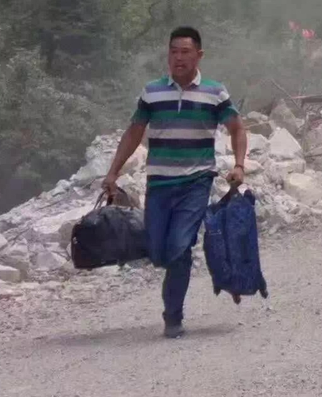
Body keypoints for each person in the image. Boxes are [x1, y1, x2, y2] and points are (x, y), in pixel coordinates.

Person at [102, 26, 247, 338]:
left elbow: (237, 128)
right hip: (159, 183)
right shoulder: (152, 92)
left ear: (199, 55)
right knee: (158, 251)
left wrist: (238, 164)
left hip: (196, 181)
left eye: (185, 52)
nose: (178, 58)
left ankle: (173, 317)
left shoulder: (215, 92)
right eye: (173, 52)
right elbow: (134, 133)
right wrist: (113, 172)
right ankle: (181, 276)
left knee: (180, 247)